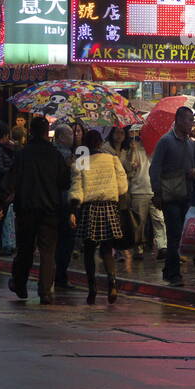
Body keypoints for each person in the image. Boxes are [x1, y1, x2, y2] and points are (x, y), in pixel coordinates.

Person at [0, 115, 71, 303]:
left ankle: (20, 284)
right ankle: (45, 291)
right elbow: (65, 182)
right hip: (49, 210)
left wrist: (1, 202)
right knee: (47, 252)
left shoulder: (23, 154)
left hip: (26, 208)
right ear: (47, 133)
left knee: (25, 249)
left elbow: (10, 180)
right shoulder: (55, 155)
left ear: (31, 132)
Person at [70, 129, 129, 304]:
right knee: (107, 248)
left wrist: (73, 209)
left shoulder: (81, 161)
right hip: (109, 206)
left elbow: (77, 188)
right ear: (100, 143)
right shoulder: (112, 159)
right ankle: (112, 283)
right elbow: (122, 185)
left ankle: (92, 288)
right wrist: (113, 192)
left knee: (89, 250)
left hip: (89, 208)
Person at [150, 106, 195, 286]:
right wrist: (157, 193)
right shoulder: (166, 141)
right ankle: (173, 273)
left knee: (181, 235)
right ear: (178, 120)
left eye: (192, 120)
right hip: (171, 196)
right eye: (189, 120)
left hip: (187, 195)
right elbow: (155, 168)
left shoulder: (191, 144)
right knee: (174, 234)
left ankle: (169, 269)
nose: (191, 124)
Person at [120, 128, 154, 258]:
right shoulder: (129, 150)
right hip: (138, 190)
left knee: (159, 221)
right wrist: (132, 151)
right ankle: (138, 248)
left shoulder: (154, 148)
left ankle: (162, 246)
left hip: (153, 190)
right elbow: (129, 167)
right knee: (140, 222)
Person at [52, 124, 77, 288]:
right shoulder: (64, 156)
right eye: (69, 134)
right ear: (61, 137)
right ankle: (60, 275)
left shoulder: (69, 153)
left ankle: (56, 275)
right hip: (65, 202)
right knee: (66, 240)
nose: (72, 137)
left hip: (54, 202)